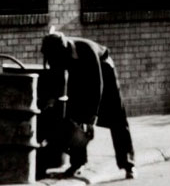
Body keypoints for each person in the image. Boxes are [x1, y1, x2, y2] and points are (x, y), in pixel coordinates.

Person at [39, 31, 135, 178]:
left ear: (63, 50)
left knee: (117, 117)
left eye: (55, 58)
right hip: (78, 73)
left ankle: (128, 164)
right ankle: (78, 163)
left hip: (104, 71)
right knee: (74, 118)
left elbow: (97, 85)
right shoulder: (55, 51)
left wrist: (92, 116)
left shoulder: (86, 50)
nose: (53, 61)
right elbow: (56, 77)